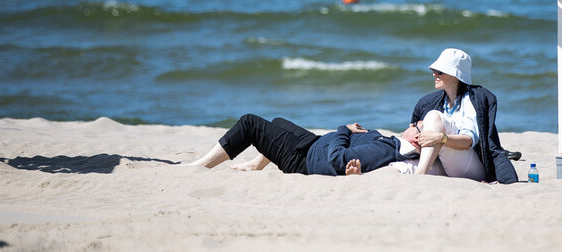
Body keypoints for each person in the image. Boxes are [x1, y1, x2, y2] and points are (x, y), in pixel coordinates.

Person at [400, 48, 518, 184]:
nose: (434, 75)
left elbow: (468, 141)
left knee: (433, 116)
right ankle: (419, 173)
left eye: (440, 71)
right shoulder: (431, 101)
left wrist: (440, 137)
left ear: (455, 75)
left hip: (471, 167)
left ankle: (420, 175)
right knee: (400, 167)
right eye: (434, 71)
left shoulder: (471, 100)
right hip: (443, 163)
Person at [182, 114, 417, 175]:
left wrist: (344, 129)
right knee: (278, 122)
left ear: (415, 138)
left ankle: (198, 166)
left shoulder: (386, 149)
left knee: (250, 124)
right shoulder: (391, 142)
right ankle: (257, 164)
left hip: (302, 159)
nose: (413, 124)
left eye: (417, 126)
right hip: (312, 144)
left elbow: (337, 158)